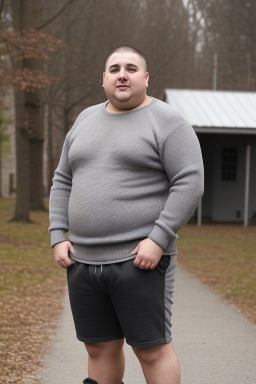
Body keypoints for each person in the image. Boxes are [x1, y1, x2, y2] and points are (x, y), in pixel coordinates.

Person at [49, 45, 204, 384]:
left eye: (131, 68)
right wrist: (57, 235)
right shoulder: (84, 120)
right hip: (82, 262)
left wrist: (159, 238)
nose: (122, 74)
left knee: (151, 350)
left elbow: (190, 182)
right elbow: (62, 179)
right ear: (104, 78)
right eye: (114, 68)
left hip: (140, 261)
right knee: (98, 348)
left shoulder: (168, 121)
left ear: (145, 78)